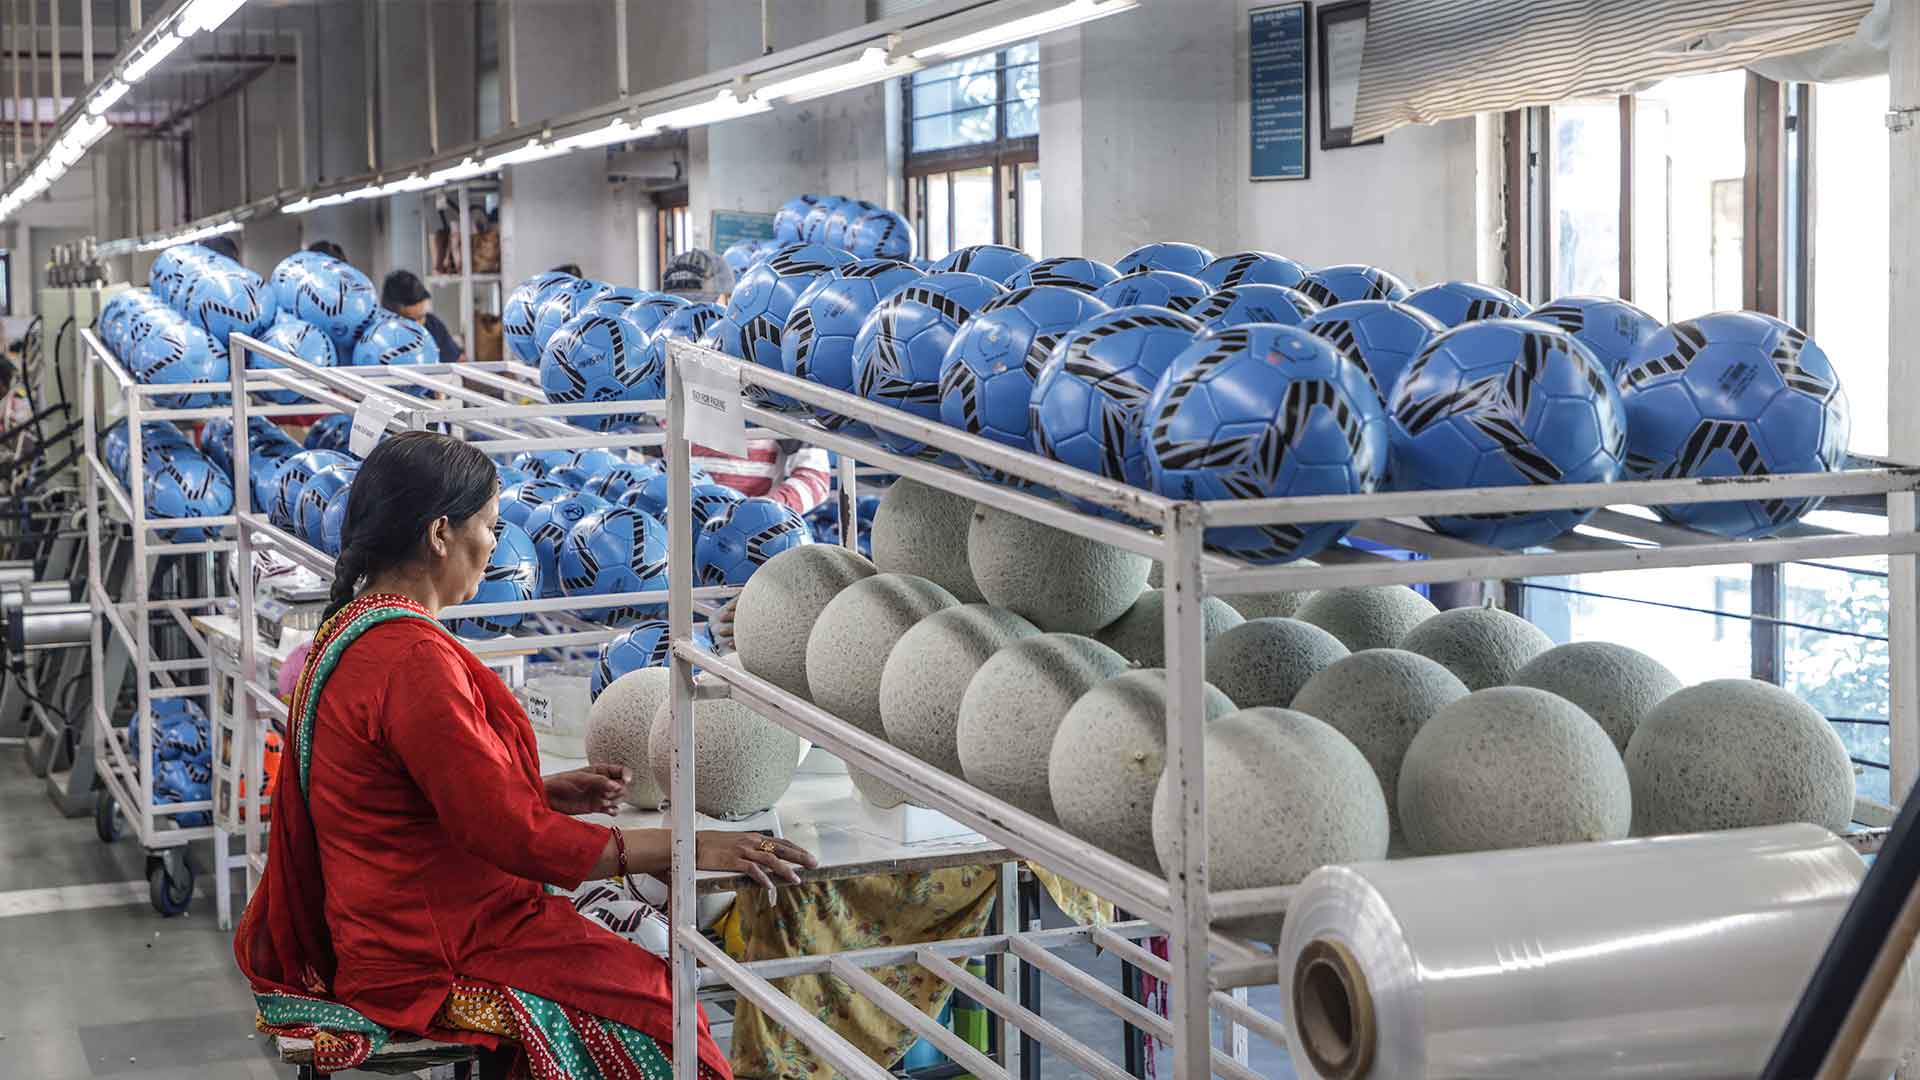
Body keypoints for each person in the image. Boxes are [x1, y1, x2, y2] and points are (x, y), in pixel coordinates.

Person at [235, 431, 813, 1080]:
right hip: (431, 948)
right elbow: (510, 837)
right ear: (439, 535)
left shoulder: (353, 629)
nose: (497, 542)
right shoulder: (412, 659)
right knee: (665, 1008)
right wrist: (687, 847)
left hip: (385, 918)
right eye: (490, 524)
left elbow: (404, 794)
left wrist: (535, 787)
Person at [381, 269, 464, 363]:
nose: (419, 326)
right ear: (389, 315)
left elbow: (458, 362)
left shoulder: (432, 325)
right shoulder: (378, 338)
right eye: (410, 320)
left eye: (421, 317)